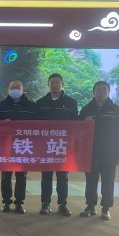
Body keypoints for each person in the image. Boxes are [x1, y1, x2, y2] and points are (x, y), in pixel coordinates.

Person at [78, 80, 119, 220]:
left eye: (104, 90)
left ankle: (106, 208)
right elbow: (77, 129)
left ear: (108, 92)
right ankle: (90, 206)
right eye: (98, 90)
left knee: (108, 181)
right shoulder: (87, 109)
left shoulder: (116, 110)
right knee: (90, 181)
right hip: (90, 153)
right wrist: (83, 121)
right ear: (94, 92)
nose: (101, 92)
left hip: (109, 152)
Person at [36, 73, 78, 217]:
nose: (55, 85)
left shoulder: (71, 103)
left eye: (57, 82)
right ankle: (45, 204)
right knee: (46, 176)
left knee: (62, 177)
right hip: (46, 146)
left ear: (62, 85)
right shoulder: (40, 103)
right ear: (48, 85)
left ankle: (62, 204)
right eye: (52, 82)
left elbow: (76, 125)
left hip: (63, 146)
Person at [0, 80, 39, 214]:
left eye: (17, 87)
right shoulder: (1, 106)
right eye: (12, 87)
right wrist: (3, 123)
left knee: (21, 176)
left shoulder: (31, 106)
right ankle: (6, 202)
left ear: (22, 89)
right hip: (6, 146)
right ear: (8, 90)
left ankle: (19, 203)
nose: (15, 90)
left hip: (24, 146)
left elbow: (38, 125)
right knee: (6, 176)